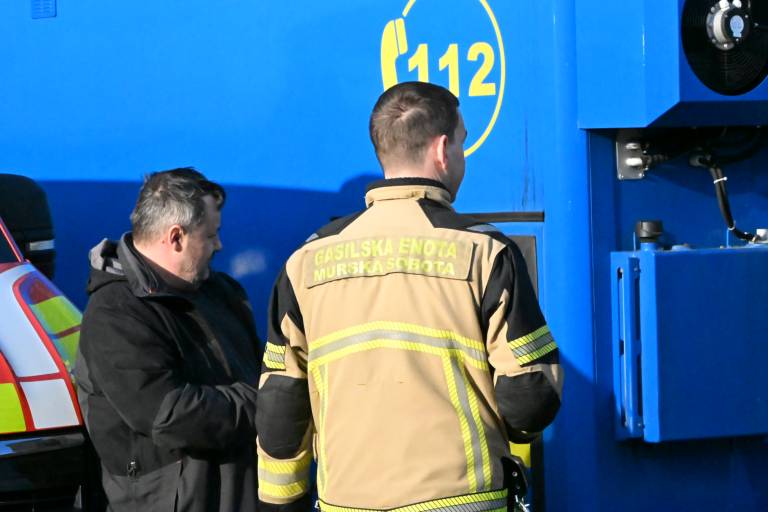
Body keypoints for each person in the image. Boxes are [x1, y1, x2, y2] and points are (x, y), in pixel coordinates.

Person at [255, 82, 564, 511]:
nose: (462, 157)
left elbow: (280, 406)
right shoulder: (485, 251)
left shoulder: (305, 262)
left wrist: (281, 500)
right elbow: (529, 398)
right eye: (461, 143)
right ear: (441, 150)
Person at [75, 168, 261, 512]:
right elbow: (169, 414)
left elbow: (261, 371)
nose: (219, 245)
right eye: (211, 235)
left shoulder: (222, 293)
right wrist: (266, 403)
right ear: (176, 238)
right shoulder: (114, 312)